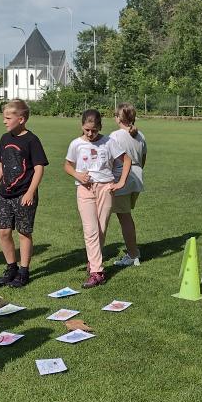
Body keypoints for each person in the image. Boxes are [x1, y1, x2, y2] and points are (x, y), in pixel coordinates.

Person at [64, 109, 131, 289]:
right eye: (87, 130)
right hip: (84, 189)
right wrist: (78, 175)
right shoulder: (76, 144)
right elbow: (67, 166)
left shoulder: (109, 142)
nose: (90, 133)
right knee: (90, 229)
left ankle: (93, 262)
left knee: (101, 229)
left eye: (94, 130)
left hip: (106, 188)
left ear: (100, 127)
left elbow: (126, 160)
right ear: (82, 126)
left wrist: (121, 182)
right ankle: (98, 272)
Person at [0, 99, 47, 288]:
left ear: (21, 119)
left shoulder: (32, 140)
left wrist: (30, 192)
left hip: (24, 195)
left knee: (23, 232)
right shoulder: (5, 138)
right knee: (3, 232)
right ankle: (11, 267)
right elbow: (0, 165)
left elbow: (39, 168)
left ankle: (23, 271)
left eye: (8, 118)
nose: (4, 121)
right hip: (5, 194)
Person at [108, 103, 147, 268]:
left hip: (122, 179)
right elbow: (143, 159)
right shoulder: (141, 135)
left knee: (124, 218)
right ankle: (133, 251)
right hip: (137, 178)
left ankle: (132, 255)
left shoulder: (115, 136)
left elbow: (110, 159)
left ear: (119, 118)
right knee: (125, 216)